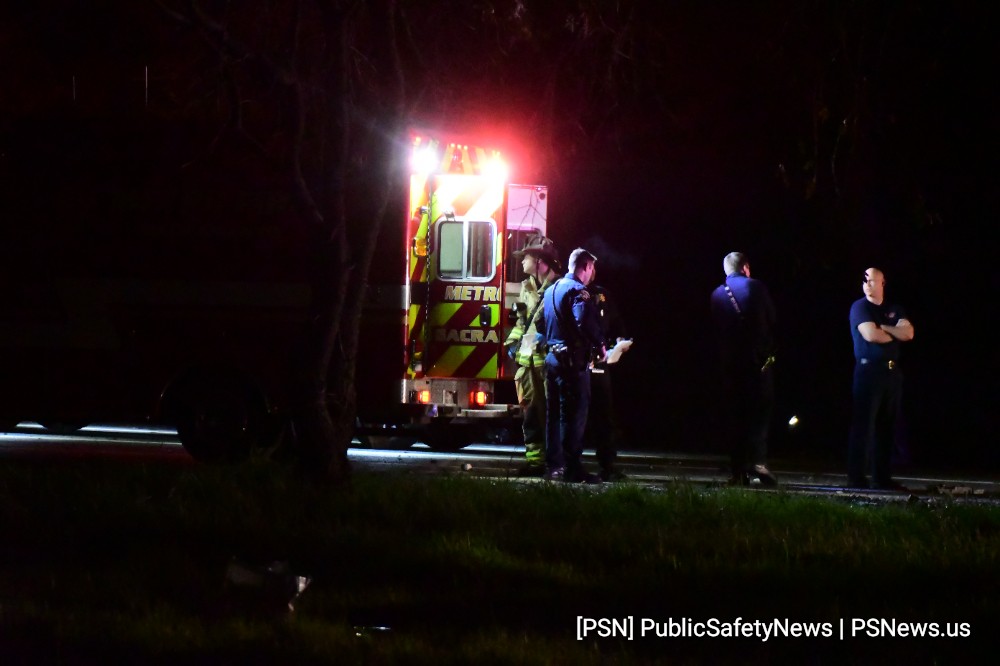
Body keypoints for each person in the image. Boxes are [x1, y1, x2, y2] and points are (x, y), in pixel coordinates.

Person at [709, 252, 778, 486]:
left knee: (735, 417)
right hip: (757, 363)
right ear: (746, 267)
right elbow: (772, 319)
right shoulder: (757, 287)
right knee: (759, 414)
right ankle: (758, 463)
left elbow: (715, 331)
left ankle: (738, 471)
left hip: (730, 366)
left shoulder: (717, 294)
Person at [542, 248, 606, 483]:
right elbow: (584, 321)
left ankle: (554, 466)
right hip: (572, 362)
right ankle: (572, 467)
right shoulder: (579, 291)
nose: (592, 274)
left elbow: (540, 324)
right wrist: (600, 345)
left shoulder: (550, 290)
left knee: (553, 416)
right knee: (575, 414)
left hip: (552, 360)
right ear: (586, 266)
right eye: (592, 269)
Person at [847, 267, 915, 490]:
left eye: (872, 280)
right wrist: (892, 331)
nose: (867, 284)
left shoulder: (894, 309)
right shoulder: (860, 307)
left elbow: (908, 333)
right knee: (864, 426)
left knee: (887, 427)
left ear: (883, 283)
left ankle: (882, 477)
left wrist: (884, 327)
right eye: (864, 280)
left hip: (891, 373)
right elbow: (870, 334)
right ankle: (857, 477)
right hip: (868, 372)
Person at [504, 234, 560, 476]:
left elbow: (563, 326)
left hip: (548, 365)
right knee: (531, 416)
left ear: (539, 259)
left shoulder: (558, 288)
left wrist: (546, 341)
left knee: (552, 415)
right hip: (527, 364)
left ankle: (555, 463)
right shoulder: (526, 287)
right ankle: (535, 463)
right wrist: (513, 343)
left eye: (526, 256)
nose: (522, 261)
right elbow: (521, 321)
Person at [584, 276, 631, 482]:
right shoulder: (569, 291)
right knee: (573, 417)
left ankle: (607, 465)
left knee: (604, 416)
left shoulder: (602, 294)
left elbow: (615, 320)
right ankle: (568, 465)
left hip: (600, 362)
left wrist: (621, 339)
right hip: (577, 363)